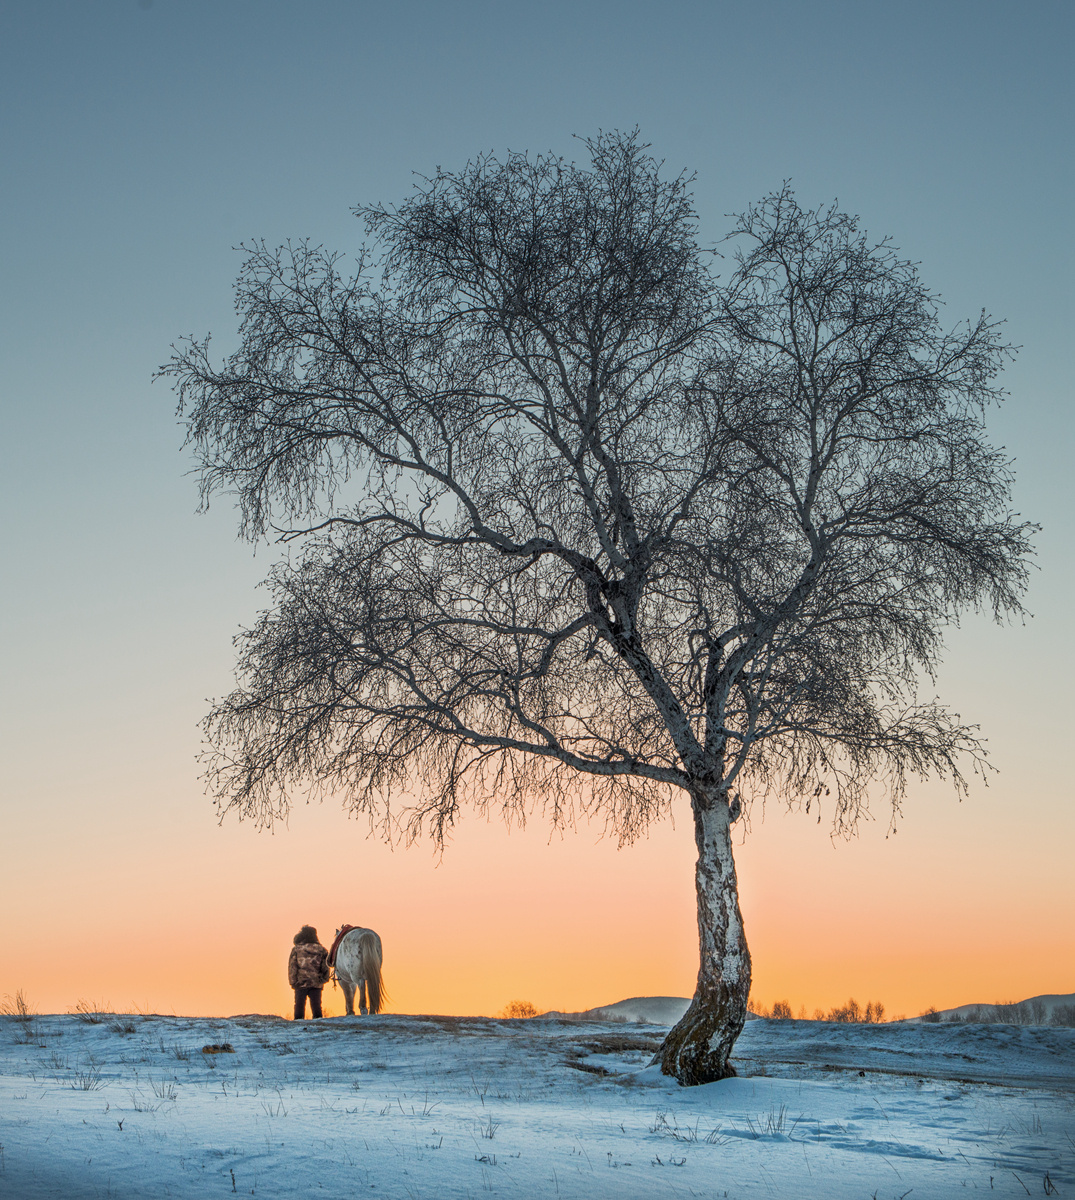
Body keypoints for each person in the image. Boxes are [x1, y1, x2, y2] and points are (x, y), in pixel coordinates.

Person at [288, 925, 331, 1019]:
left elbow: (292, 967)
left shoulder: (297, 949)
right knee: (317, 1007)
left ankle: (298, 1027)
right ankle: (318, 1027)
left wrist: (293, 982)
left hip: (300, 983)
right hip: (316, 983)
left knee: (299, 1006)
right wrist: (323, 979)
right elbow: (325, 967)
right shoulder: (322, 950)